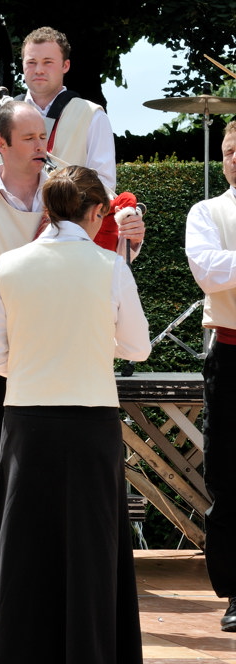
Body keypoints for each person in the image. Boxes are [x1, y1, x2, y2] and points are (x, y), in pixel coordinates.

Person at [0, 165, 149, 663]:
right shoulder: (111, 267)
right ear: (96, 212)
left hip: (28, 424)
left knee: (22, 551)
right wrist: (89, 344)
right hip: (91, 427)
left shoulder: (11, 265)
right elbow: (138, 348)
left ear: (48, 210)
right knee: (92, 552)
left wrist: (36, 361)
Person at [0, 100, 143, 520]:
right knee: (3, 473)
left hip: (68, 357)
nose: (42, 145)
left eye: (43, 136)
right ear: (0, 145)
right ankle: (1, 561)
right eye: (30, 138)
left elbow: (102, 261)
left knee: (65, 481)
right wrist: (4, 341)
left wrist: (131, 237)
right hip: (4, 361)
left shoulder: (66, 193)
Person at [185, 119, 236, 632]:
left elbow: (226, 267)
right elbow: (207, 270)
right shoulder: (207, 211)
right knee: (228, 475)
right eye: (228, 151)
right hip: (231, 353)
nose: (234, 159)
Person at [0, 26, 115, 193]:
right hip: (8, 210)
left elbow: (104, 186)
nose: (39, 70)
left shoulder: (93, 116)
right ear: (22, 65)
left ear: (65, 65)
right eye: (31, 62)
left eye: (48, 62)